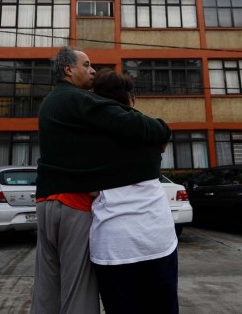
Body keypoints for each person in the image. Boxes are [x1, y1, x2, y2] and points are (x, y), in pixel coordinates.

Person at [32, 47, 171, 314]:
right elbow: (131, 122)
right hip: (72, 204)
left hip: (44, 203)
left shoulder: (49, 103)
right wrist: (164, 129)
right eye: (86, 64)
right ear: (68, 70)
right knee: (77, 288)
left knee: (46, 286)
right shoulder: (77, 99)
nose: (93, 70)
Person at [90, 69, 179, 314]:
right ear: (130, 97)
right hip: (157, 237)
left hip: (112, 243)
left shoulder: (86, 137)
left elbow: (87, 189)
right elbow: (163, 134)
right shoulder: (149, 130)